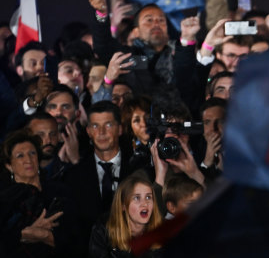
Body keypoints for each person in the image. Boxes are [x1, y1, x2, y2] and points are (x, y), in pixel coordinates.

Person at [63, 101, 138, 256]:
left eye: (108, 125)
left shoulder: (138, 169)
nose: (102, 132)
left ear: (120, 129)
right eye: (95, 126)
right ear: (89, 131)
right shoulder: (73, 177)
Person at [0, 131, 75, 257]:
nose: (28, 160)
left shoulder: (60, 191)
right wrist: (25, 233)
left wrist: (44, 235)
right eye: (20, 156)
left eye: (32, 153)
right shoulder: (4, 199)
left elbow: (75, 237)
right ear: (9, 166)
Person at [88, 171, 163, 258]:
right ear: (123, 205)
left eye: (148, 197)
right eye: (137, 198)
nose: (145, 204)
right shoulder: (103, 230)